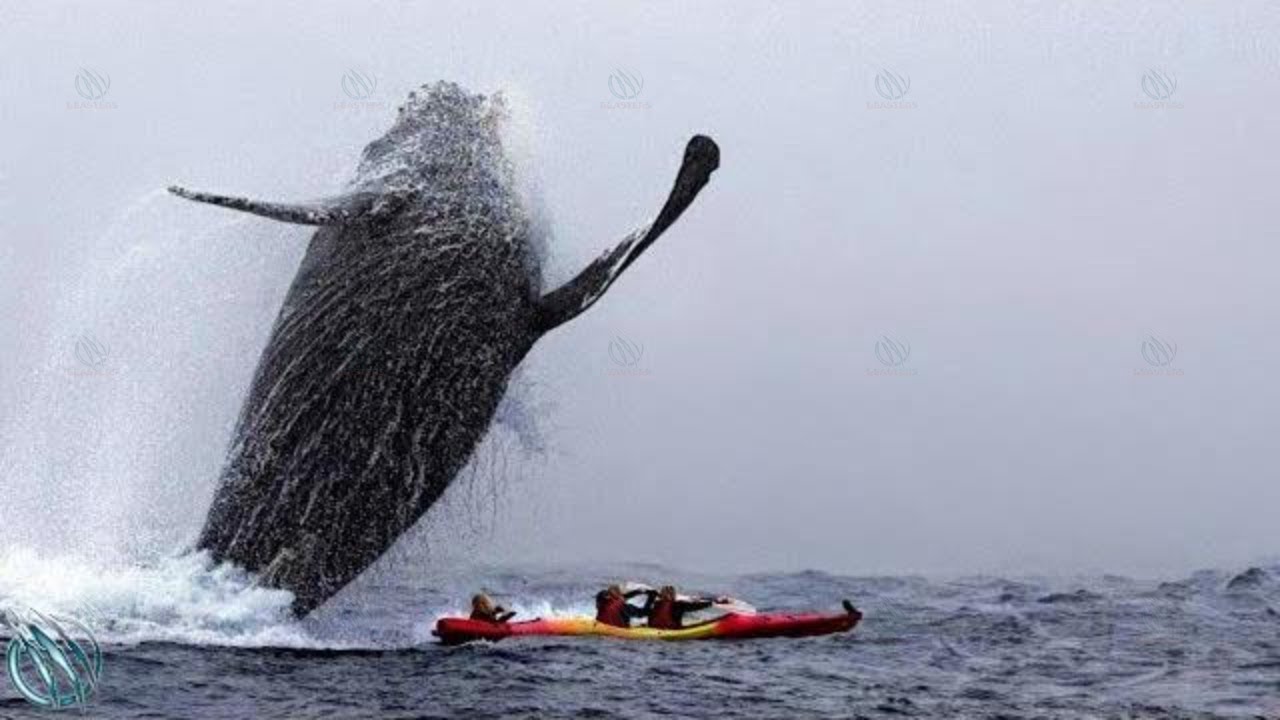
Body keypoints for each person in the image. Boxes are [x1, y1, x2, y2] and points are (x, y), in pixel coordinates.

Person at [647, 585, 728, 630]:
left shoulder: (656, 604)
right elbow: (695, 606)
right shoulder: (678, 604)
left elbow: (645, 611)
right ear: (673, 595)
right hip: (671, 630)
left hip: (652, 629)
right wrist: (712, 603)